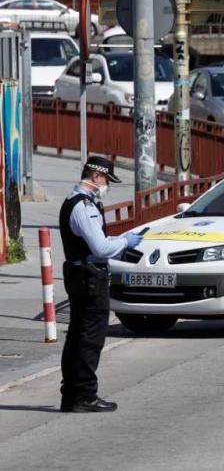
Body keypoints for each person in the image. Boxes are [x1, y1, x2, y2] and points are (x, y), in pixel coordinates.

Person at [59, 156, 143, 413]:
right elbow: (101, 247)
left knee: (77, 335)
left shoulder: (73, 202)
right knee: (90, 337)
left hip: (80, 274)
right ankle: (84, 394)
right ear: (96, 176)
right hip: (90, 277)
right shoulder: (84, 206)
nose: (107, 185)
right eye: (106, 179)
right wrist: (126, 241)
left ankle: (73, 393)